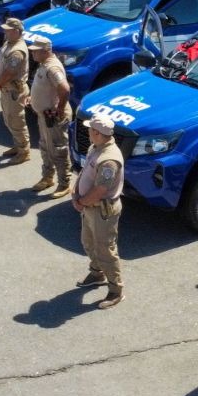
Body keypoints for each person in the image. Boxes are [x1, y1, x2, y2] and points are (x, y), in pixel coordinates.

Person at [72, 113, 125, 309]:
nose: (88, 131)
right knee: (88, 241)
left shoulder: (109, 160)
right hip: (89, 206)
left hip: (102, 210)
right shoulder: (96, 147)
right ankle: (97, 272)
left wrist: (82, 201)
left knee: (105, 249)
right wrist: (77, 192)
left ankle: (115, 289)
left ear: (97, 133)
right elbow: (86, 171)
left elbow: (101, 189)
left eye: (90, 129)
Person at [28, 34, 72, 197]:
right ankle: (47, 177)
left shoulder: (52, 67)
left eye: (35, 51)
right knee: (46, 147)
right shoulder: (43, 64)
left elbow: (65, 89)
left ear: (46, 51)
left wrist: (59, 108)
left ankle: (64, 183)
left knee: (58, 150)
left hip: (53, 117)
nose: (32, 53)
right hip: (44, 116)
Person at [0, 18, 32, 164]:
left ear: (16, 31)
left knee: (17, 122)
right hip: (6, 89)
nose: (5, 32)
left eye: (8, 30)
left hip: (14, 91)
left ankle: (24, 151)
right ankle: (18, 146)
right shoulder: (9, 43)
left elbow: (10, 72)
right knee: (8, 119)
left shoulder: (18, 51)